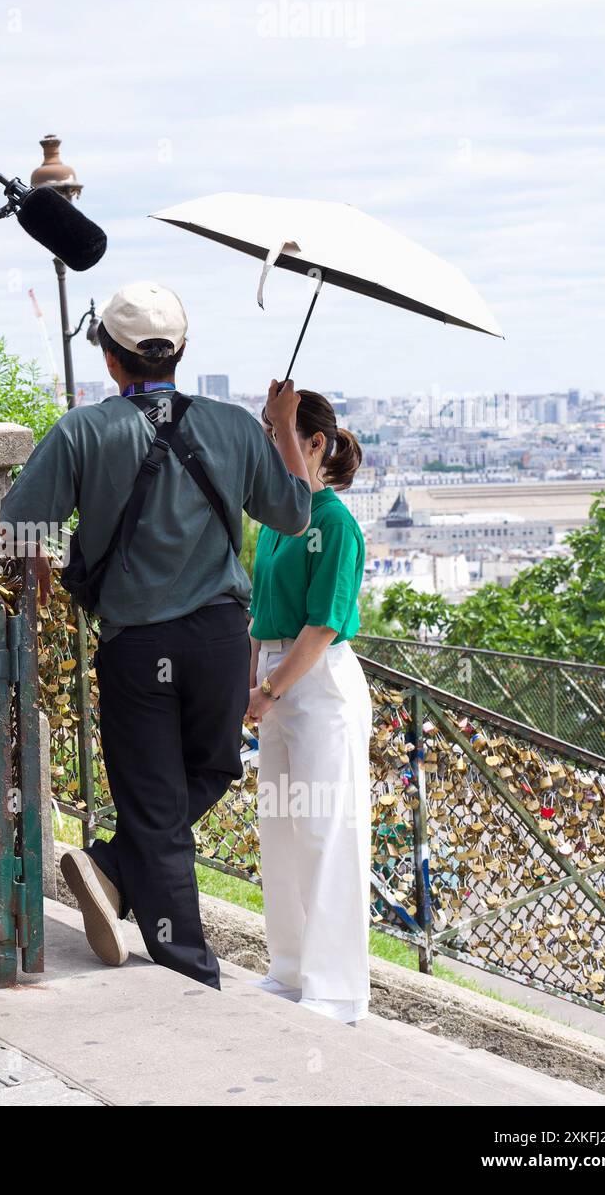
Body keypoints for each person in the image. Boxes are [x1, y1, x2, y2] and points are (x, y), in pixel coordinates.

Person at [0, 281, 313, 987]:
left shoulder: (84, 430)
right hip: (221, 641)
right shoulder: (235, 428)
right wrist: (283, 424)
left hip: (139, 646)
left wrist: (44, 556)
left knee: (156, 804)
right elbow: (295, 513)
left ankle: (185, 967)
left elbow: (18, 522)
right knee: (212, 771)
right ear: (182, 352)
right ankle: (117, 875)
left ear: (112, 361)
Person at [246, 389, 372, 1024]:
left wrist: (267, 690)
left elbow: (322, 628)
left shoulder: (336, 524)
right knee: (282, 829)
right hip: (277, 684)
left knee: (328, 832)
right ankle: (291, 968)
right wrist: (256, 688)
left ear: (314, 443)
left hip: (317, 687)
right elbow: (261, 615)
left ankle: (336, 988)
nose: (270, 442)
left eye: (280, 431)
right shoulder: (278, 522)